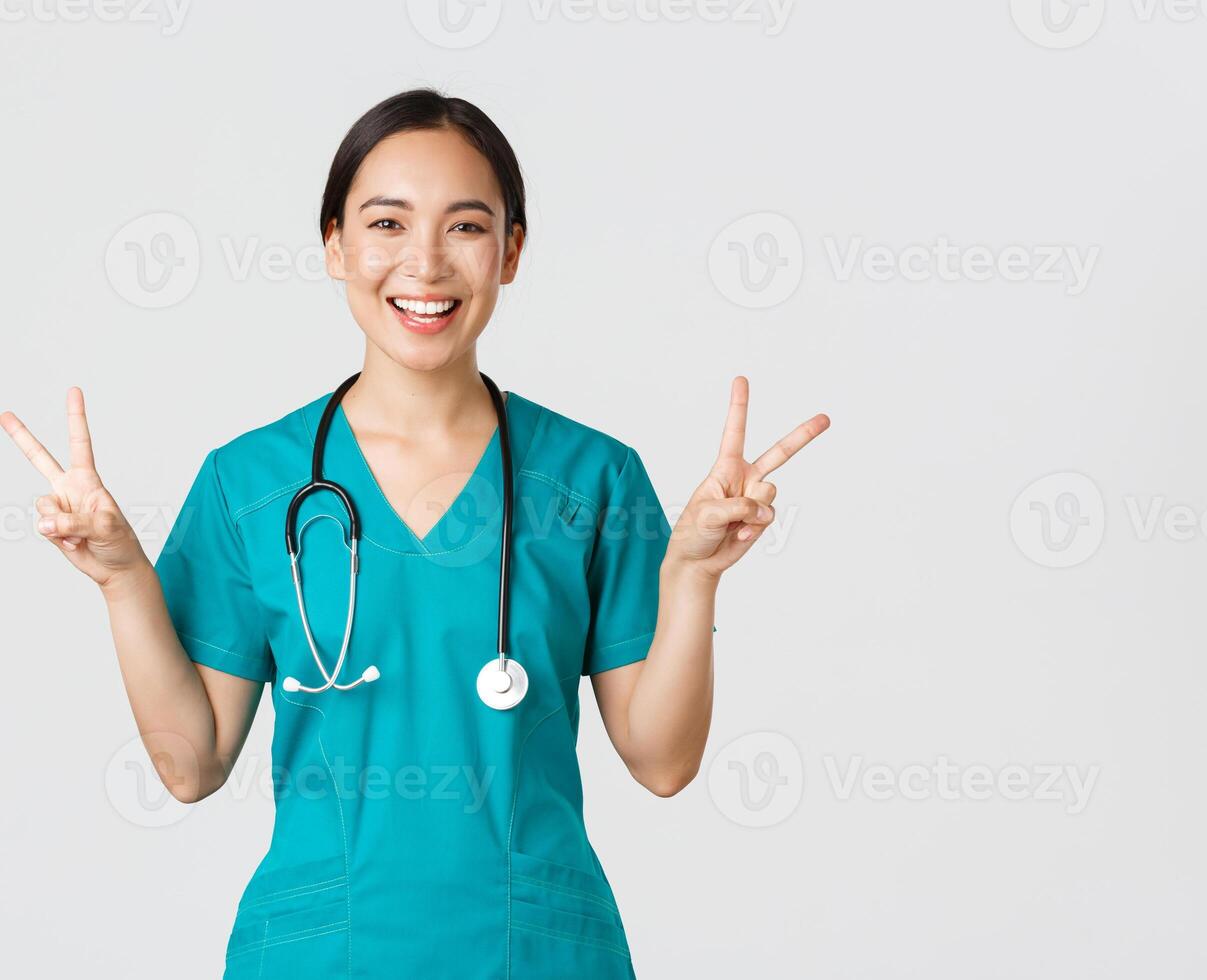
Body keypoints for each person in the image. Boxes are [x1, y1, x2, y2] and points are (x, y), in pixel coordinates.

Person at [0, 88, 829, 978]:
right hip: (323, 954)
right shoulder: (250, 484)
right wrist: (124, 578)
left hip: (538, 953)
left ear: (510, 252)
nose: (425, 263)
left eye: (466, 227)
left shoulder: (592, 480)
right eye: (387, 224)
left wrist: (694, 577)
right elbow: (189, 764)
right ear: (335, 246)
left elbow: (664, 763)